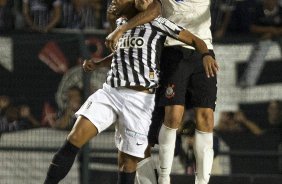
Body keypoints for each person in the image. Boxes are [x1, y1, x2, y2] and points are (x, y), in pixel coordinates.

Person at [43, 0, 218, 183]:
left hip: (139, 100)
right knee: (75, 137)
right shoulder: (119, 24)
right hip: (111, 92)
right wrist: (98, 63)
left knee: (127, 164)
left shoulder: (158, 22)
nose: (116, 1)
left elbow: (195, 40)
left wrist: (205, 54)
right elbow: (120, 55)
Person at [106, 0, 219, 183]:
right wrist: (118, 24)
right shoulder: (151, 22)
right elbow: (144, 8)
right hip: (170, 53)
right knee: (169, 118)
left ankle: (201, 181)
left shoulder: (152, 23)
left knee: (206, 118)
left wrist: (205, 53)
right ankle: (164, 179)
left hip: (202, 49)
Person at [239, 0, 282, 87]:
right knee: (261, 48)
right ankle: (248, 80)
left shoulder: (280, 10)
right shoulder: (257, 9)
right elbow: (251, 27)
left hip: (278, 36)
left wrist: (274, 32)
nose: (271, 2)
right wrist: (269, 30)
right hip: (262, 38)